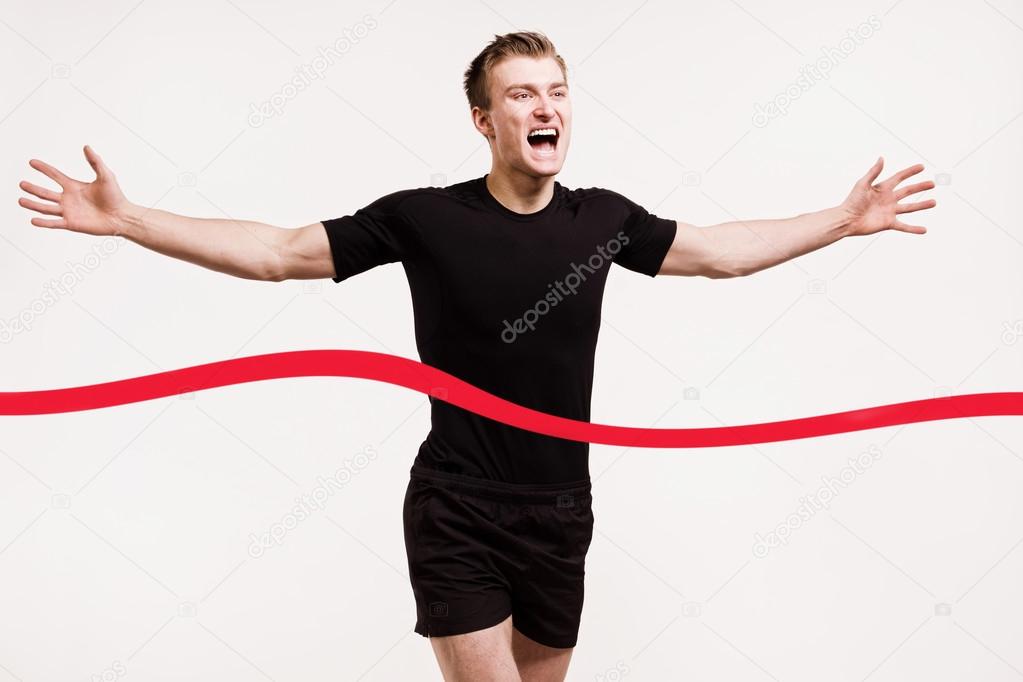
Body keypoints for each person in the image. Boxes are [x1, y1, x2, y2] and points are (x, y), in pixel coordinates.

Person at [18, 30, 935, 682]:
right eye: (522, 95)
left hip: (561, 508)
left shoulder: (603, 220)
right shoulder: (426, 218)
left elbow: (723, 253)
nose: (546, 108)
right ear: (483, 120)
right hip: (457, 503)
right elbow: (277, 252)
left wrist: (844, 220)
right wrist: (127, 219)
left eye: (558, 91)